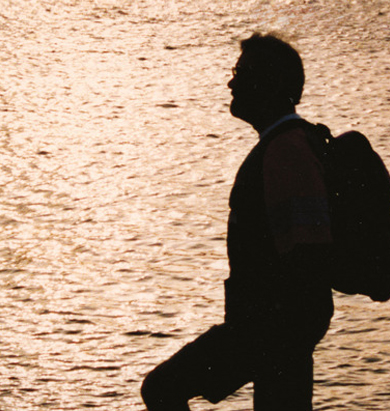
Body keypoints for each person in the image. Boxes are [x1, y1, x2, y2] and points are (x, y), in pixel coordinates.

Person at [141, 33, 335, 411]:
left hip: (273, 329)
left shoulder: (287, 150)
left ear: (271, 83)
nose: (232, 82)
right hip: (279, 327)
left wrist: (276, 335)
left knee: (162, 389)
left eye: (242, 72)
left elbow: (310, 249)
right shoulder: (286, 143)